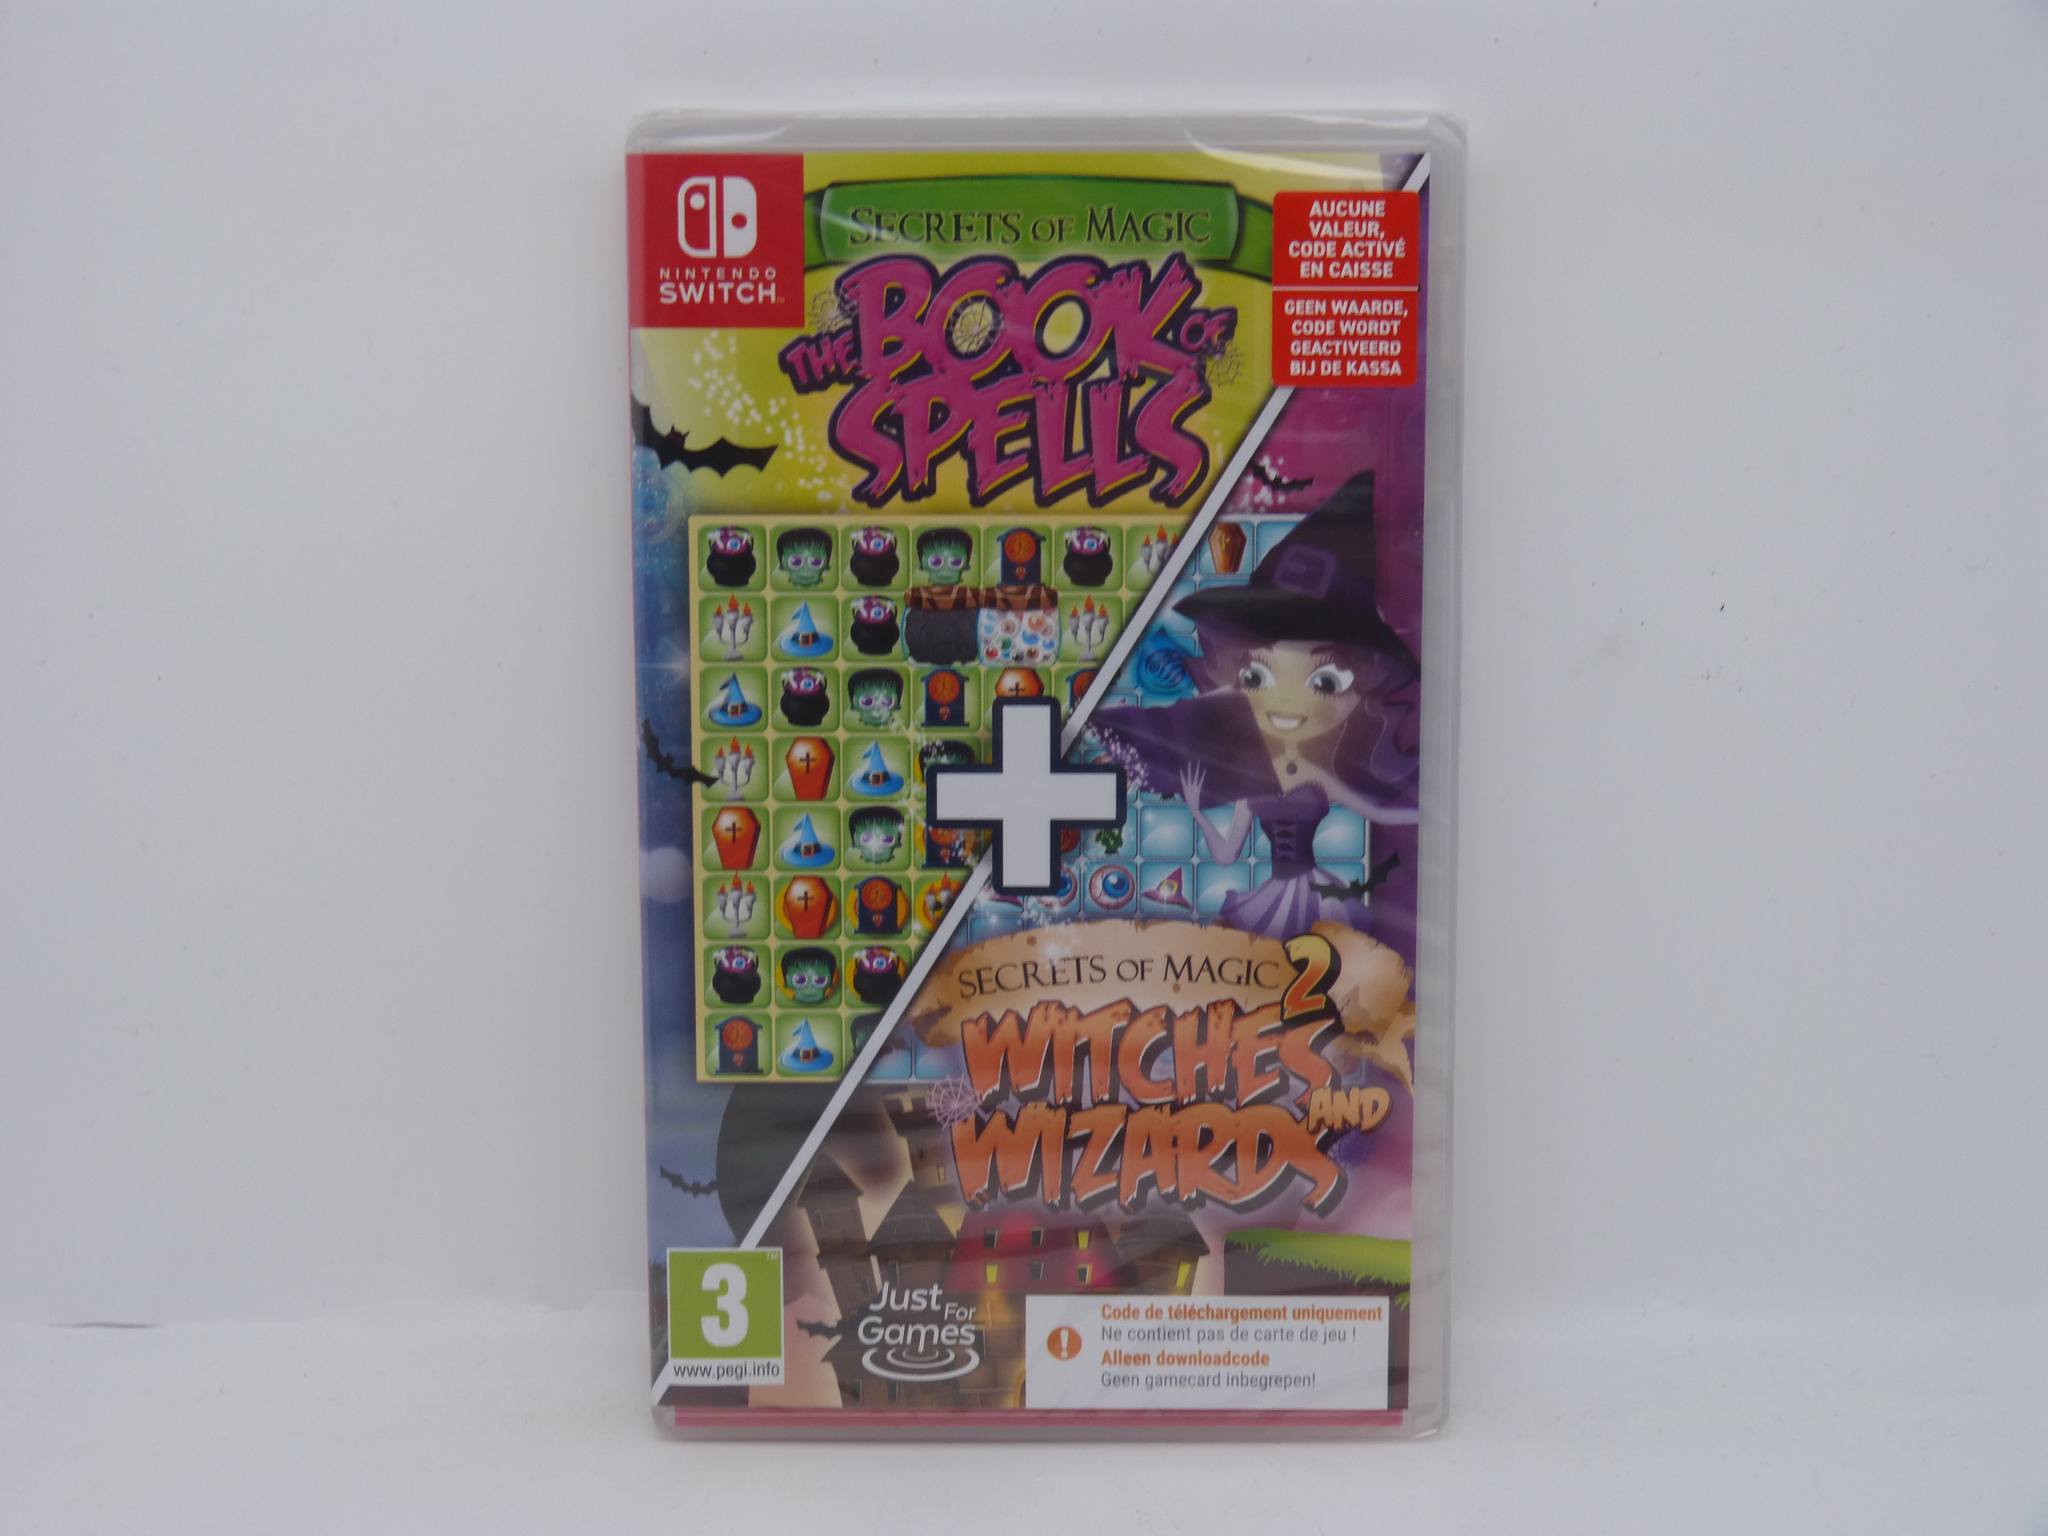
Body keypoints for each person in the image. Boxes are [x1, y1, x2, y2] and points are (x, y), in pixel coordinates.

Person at [1093, 472, 1418, 940]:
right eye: (1256, 676)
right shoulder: (1247, 775)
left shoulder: (1316, 773)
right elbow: (1226, 855)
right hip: (1271, 894)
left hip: (1314, 890)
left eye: (1325, 681)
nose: (1284, 699)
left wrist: (1430, 814)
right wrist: (1197, 811)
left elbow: (1377, 812)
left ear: (1363, 687)